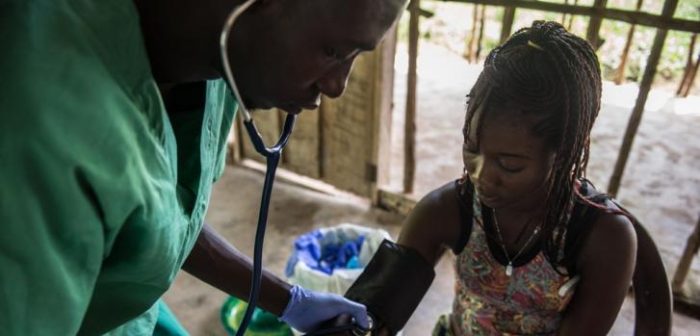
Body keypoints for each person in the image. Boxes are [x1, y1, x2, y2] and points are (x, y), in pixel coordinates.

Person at [0, 0, 407, 334]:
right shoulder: (34, 124)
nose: (337, 86)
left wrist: (287, 300)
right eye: (334, 51)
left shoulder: (216, 59)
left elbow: (162, 215)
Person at [340, 21, 638, 335]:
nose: (479, 175)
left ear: (563, 153)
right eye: (471, 149)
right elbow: (373, 314)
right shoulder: (447, 211)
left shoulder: (604, 238)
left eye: (509, 165)